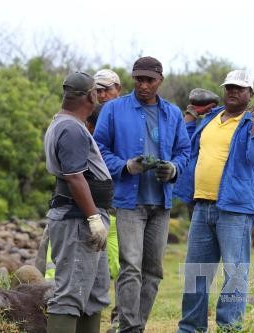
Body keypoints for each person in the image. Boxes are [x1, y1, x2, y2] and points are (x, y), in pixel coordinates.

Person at [93, 56, 191, 333]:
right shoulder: (113, 110)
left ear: (160, 81)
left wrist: (173, 169)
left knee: (153, 271)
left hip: (161, 201)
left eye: (149, 80)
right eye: (139, 79)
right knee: (131, 266)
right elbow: (99, 149)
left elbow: (185, 152)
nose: (143, 85)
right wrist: (125, 166)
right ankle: (128, 327)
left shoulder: (172, 113)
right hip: (129, 201)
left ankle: (136, 326)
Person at [175, 70, 254, 332]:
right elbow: (186, 145)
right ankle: (190, 328)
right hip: (202, 206)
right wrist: (190, 114)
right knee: (196, 273)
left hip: (236, 208)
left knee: (234, 274)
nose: (233, 91)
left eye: (240, 88)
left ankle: (229, 328)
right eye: (229, 87)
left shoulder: (252, 122)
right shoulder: (210, 117)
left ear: (250, 94)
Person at [43, 72, 112, 333]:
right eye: (97, 90)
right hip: (77, 219)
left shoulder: (68, 123)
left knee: (94, 293)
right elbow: (74, 177)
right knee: (70, 292)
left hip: (82, 216)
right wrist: (94, 218)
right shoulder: (70, 128)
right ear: (89, 95)